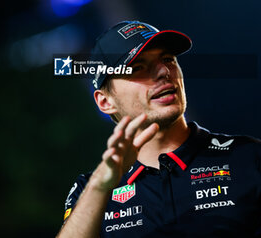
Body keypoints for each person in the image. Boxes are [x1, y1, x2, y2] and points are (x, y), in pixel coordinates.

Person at [56, 20, 261, 238]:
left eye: (167, 59)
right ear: (105, 101)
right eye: (137, 68)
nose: (164, 71)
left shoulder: (249, 157)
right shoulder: (90, 191)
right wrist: (100, 186)